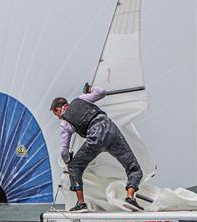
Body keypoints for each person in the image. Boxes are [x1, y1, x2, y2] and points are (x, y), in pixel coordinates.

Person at [50, 84, 143, 212]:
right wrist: (89, 89)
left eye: (57, 114)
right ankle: (130, 198)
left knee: (74, 167)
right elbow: (102, 92)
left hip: (95, 136)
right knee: (134, 168)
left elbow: (64, 151)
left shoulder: (65, 123)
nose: (59, 117)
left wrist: (67, 161)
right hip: (112, 131)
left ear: (58, 109)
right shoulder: (82, 99)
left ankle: (81, 204)